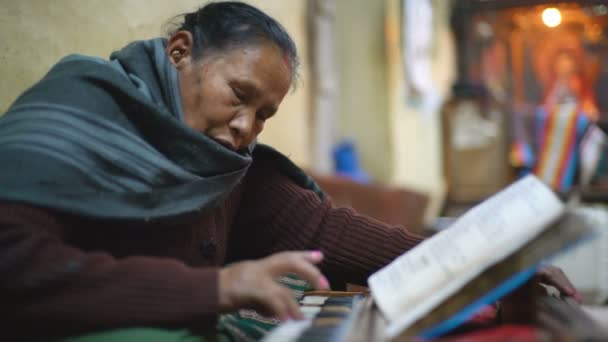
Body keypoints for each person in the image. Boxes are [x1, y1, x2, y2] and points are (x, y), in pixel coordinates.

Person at [0, 1, 579, 341]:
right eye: (239, 95)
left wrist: (493, 263)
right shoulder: (82, 105)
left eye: (265, 114)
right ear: (179, 52)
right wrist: (219, 288)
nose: (247, 127)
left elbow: (327, 234)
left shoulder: (221, 167)